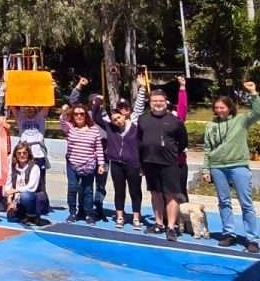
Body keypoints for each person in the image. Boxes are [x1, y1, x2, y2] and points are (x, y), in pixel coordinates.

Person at [202, 81, 260, 253]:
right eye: (216, 108)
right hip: (217, 167)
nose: (219, 110)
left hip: (238, 166)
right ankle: (228, 233)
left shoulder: (241, 120)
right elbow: (207, 149)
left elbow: (258, 113)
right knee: (224, 202)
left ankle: (252, 238)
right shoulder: (211, 126)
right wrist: (206, 169)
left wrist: (253, 93)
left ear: (230, 108)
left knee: (246, 203)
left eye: (222, 107)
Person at [138, 88, 188, 241]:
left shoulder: (175, 121)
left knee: (171, 195)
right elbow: (139, 141)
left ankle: (171, 227)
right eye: (155, 101)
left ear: (166, 102)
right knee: (156, 193)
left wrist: (171, 153)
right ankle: (159, 223)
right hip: (150, 162)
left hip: (169, 164)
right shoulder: (143, 119)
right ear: (150, 103)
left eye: (160, 101)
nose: (158, 103)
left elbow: (183, 142)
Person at [96, 81, 147, 230]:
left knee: (135, 191)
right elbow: (97, 116)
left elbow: (139, 106)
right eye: (120, 108)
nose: (122, 112)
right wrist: (98, 102)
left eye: (125, 108)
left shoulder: (135, 122)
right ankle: (120, 215)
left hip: (133, 163)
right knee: (119, 190)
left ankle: (136, 216)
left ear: (128, 112)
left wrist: (142, 88)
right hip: (116, 163)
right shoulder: (111, 126)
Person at [60, 101, 105, 224]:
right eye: (76, 114)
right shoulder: (70, 128)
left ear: (86, 115)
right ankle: (72, 213)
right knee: (72, 188)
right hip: (72, 164)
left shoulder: (94, 130)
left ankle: (88, 214)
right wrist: (64, 111)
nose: (79, 116)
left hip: (88, 164)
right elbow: (62, 121)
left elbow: (99, 148)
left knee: (88, 190)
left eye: (82, 114)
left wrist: (101, 164)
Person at [6, 142, 47, 225]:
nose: (22, 155)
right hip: (17, 199)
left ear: (28, 154)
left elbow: (32, 187)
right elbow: (8, 184)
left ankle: (32, 215)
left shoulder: (34, 167)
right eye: (19, 153)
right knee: (11, 217)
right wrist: (9, 202)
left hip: (34, 198)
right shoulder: (13, 167)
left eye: (24, 153)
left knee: (25, 195)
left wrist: (15, 190)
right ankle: (24, 215)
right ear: (15, 155)